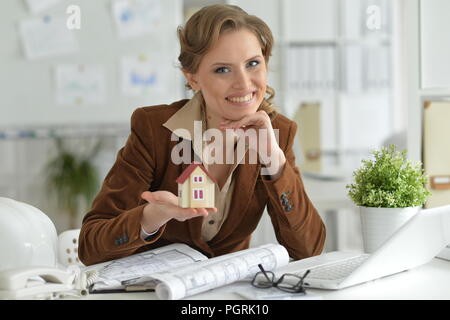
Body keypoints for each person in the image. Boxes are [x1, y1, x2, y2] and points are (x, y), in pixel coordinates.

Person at [78, 4, 326, 266]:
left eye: (253, 63)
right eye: (222, 69)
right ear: (193, 78)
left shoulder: (279, 133)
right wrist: (152, 217)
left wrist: (275, 164)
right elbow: (90, 247)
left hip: (229, 294)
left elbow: (308, 250)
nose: (243, 83)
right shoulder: (154, 128)